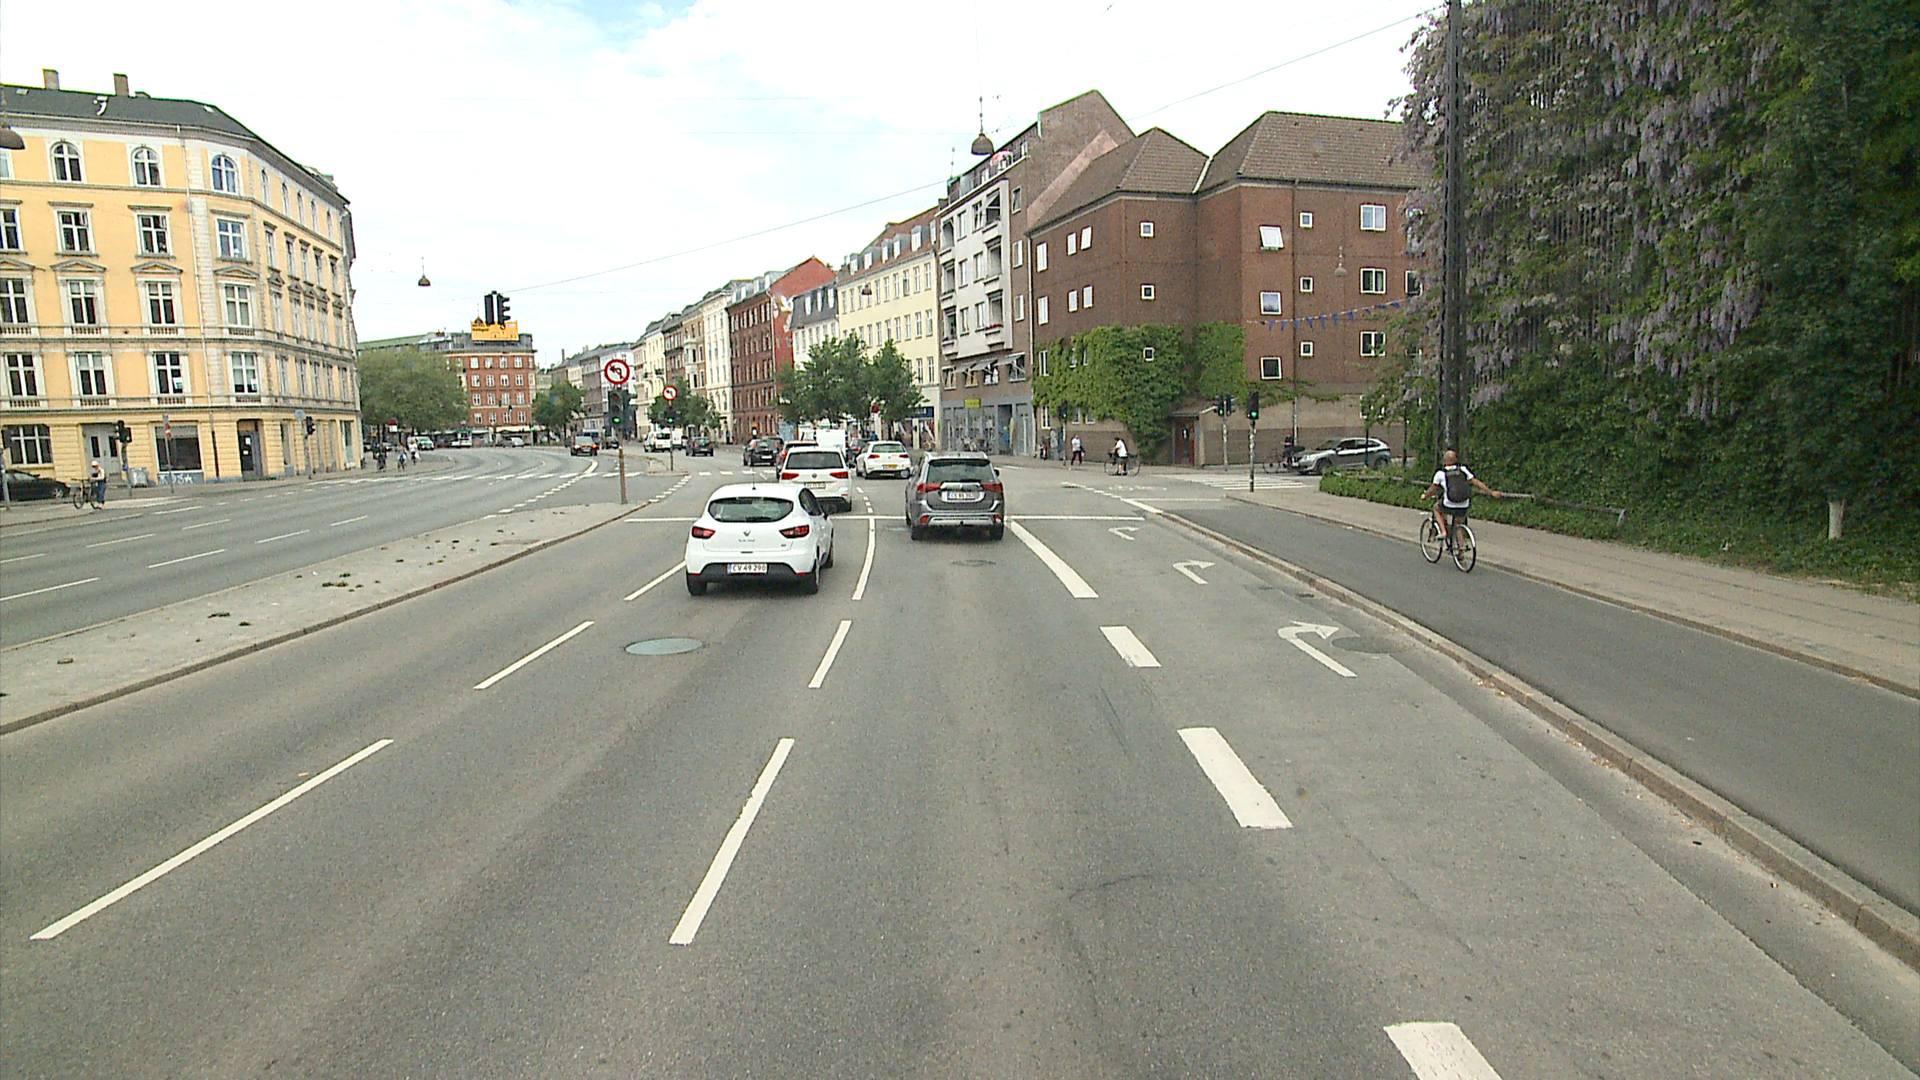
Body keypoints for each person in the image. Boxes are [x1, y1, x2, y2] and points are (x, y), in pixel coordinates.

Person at [1423, 448, 1502, 549]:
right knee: (1458, 524)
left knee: (1436, 508)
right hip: (1464, 503)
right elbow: (1476, 482)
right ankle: (1461, 548)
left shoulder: (1440, 473)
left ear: (1444, 461)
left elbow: (1433, 489)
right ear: (1456, 460)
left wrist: (1425, 496)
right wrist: (1491, 492)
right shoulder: (1463, 470)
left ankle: (1443, 531)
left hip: (1449, 503)